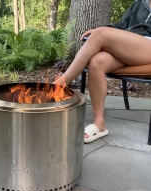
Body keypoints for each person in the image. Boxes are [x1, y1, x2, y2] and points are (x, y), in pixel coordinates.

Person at [54, 0, 151, 143]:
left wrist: (100, 33)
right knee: (97, 62)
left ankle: (59, 85)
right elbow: (120, 26)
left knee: (100, 34)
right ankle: (99, 124)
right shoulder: (140, 3)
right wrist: (102, 30)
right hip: (129, 49)